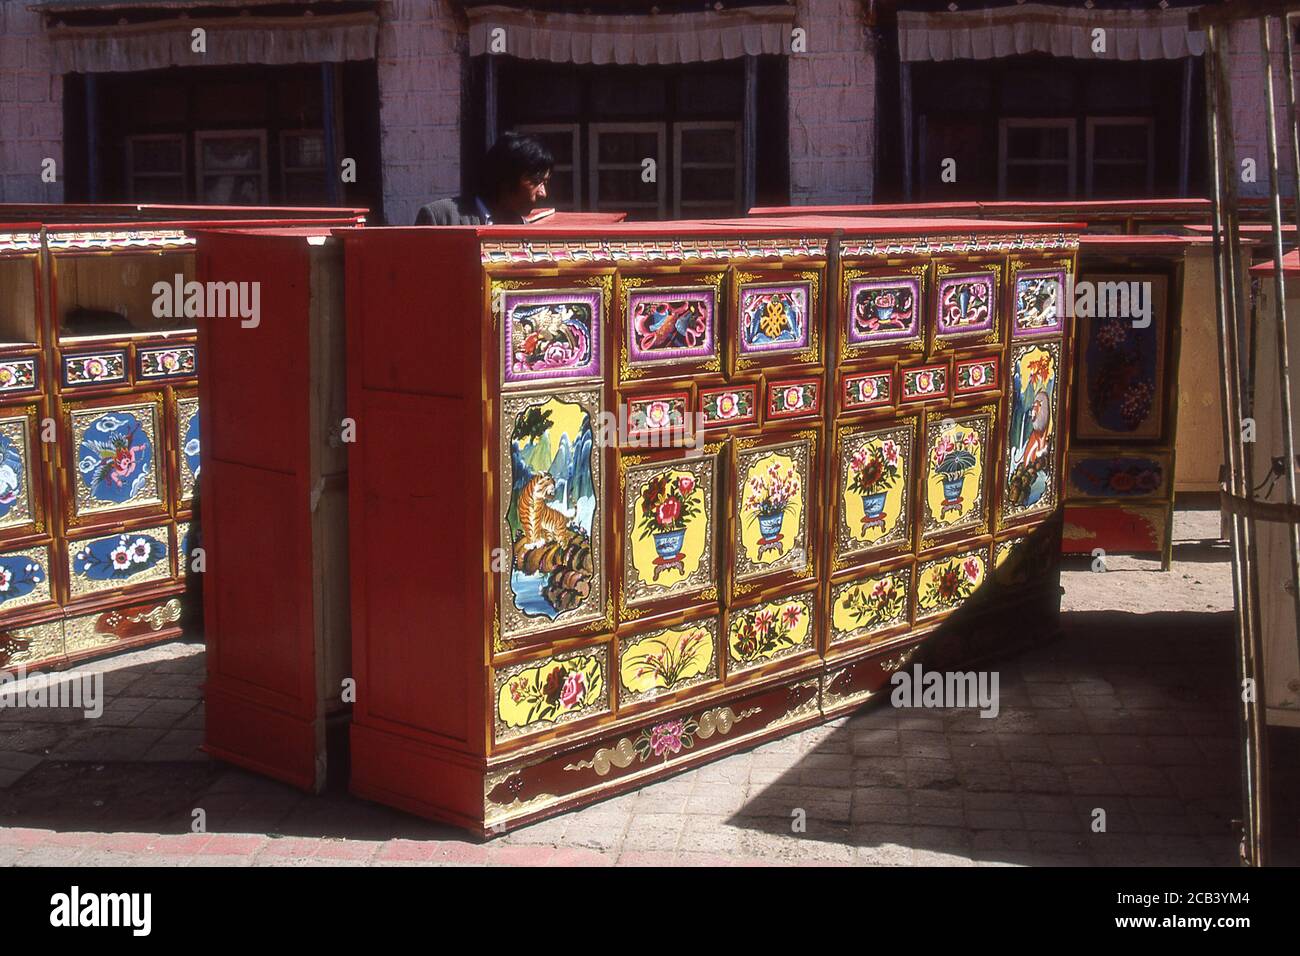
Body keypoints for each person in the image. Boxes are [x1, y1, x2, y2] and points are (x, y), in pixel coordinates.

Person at [415, 132, 553, 225]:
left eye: (545, 183)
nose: (543, 193)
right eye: (536, 181)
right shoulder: (441, 218)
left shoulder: (527, 231)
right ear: (507, 177)